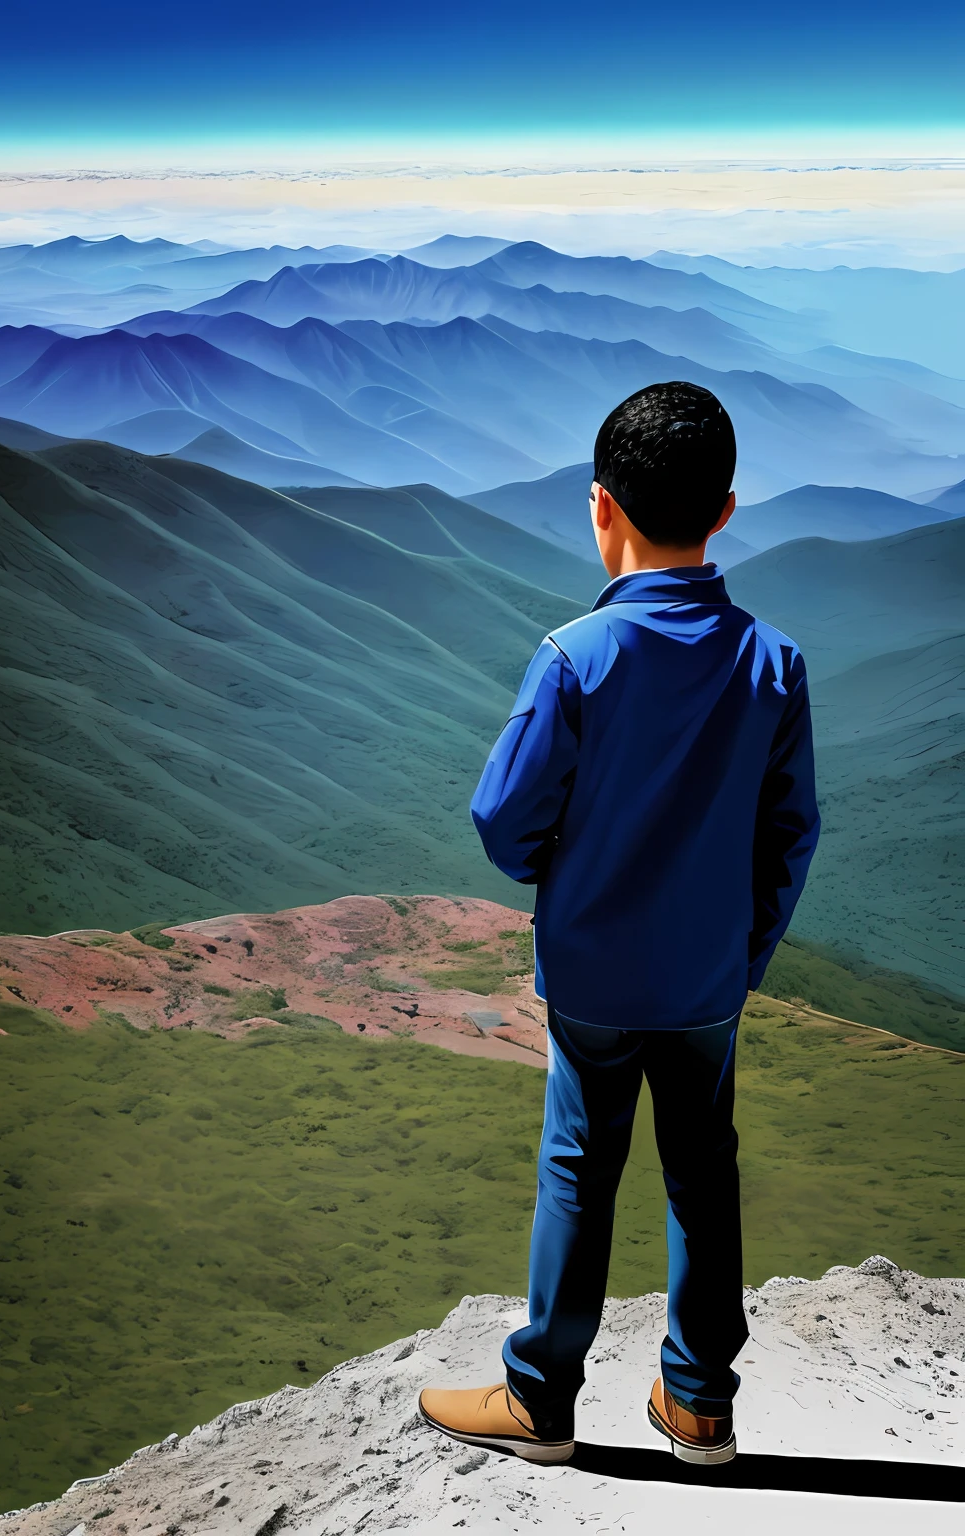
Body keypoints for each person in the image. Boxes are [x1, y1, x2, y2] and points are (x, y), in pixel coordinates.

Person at [418, 381, 820, 1467]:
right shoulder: (772, 664)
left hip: (593, 973)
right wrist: (745, 951)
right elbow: (791, 836)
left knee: (577, 1166)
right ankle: (698, 1404)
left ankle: (540, 1400)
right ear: (725, 509)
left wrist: (565, 877)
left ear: (601, 507)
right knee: (703, 1169)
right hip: (705, 982)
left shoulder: (573, 659)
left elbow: (503, 821)